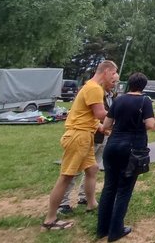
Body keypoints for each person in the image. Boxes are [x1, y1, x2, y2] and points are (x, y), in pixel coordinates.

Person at [42, 60, 118, 231]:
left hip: (86, 134)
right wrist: (122, 113)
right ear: (106, 71)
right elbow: (99, 113)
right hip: (78, 136)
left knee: (92, 169)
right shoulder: (94, 88)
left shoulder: (90, 86)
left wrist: (102, 128)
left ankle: (91, 204)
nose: (114, 77)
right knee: (67, 176)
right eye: (113, 73)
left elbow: (88, 116)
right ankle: (50, 219)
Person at [97, 72, 155, 242]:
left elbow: (106, 125)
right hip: (132, 149)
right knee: (124, 190)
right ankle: (116, 230)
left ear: (129, 84)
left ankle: (102, 229)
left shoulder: (118, 100)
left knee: (109, 187)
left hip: (112, 145)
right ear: (143, 86)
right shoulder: (145, 101)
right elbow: (150, 124)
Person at [58, 72, 119, 214]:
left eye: (116, 82)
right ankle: (63, 203)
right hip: (83, 135)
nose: (114, 85)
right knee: (72, 172)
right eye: (113, 81)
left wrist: (106, 129)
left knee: (92, 169)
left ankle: (85, 198)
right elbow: (99, 114)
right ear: (105, 78)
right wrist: (120, 121)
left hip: (97, 136)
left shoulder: (111, 96)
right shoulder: (95, 91)